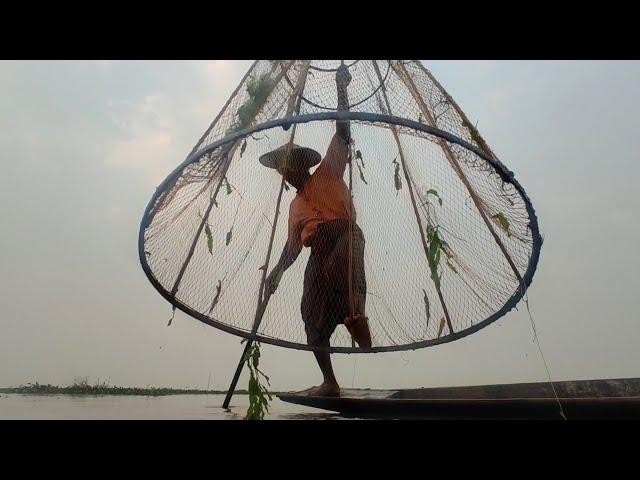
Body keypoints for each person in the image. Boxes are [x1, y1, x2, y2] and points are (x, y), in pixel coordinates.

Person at [260, 64, 371, 397]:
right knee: (312, 314)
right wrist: (276, 273)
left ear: (301, 166)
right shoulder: (295, 207)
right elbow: (293, 247)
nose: (286, 174)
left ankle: (357, 319)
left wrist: (341, 88)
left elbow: (343, 132)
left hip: (344, 236)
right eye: (282, 171)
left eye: (289, 168)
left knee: (342, 267)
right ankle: (330, 383)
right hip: (316, 252)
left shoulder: (327, 173)